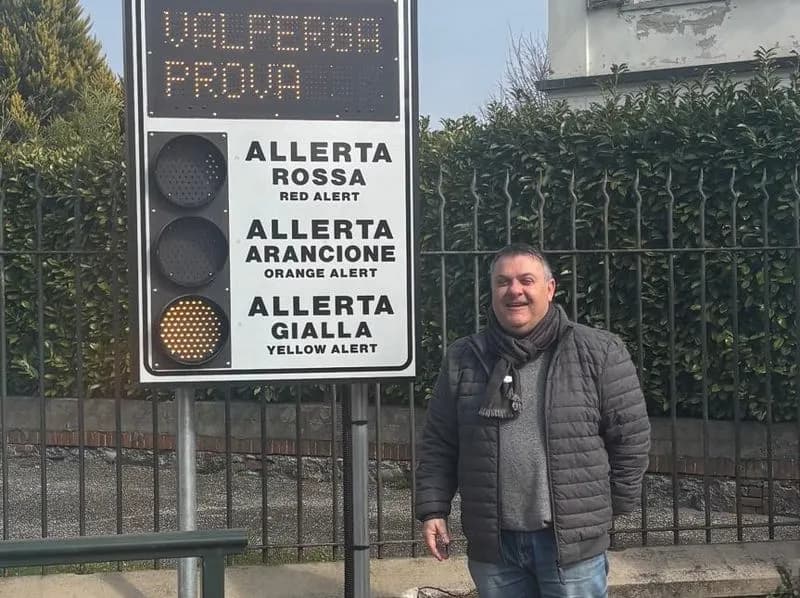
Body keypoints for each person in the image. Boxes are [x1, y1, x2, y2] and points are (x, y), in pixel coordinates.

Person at [415, 243, 650, 598]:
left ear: (550, 288)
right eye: (503, 282)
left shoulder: (598, 351)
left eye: (526, 280)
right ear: (492, 291)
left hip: (570, 548)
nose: (515, 291)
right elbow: (440, 442)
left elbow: (630, 438)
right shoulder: (465, 357)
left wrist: (600, 510)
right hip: (495, 547)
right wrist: (433, 508)